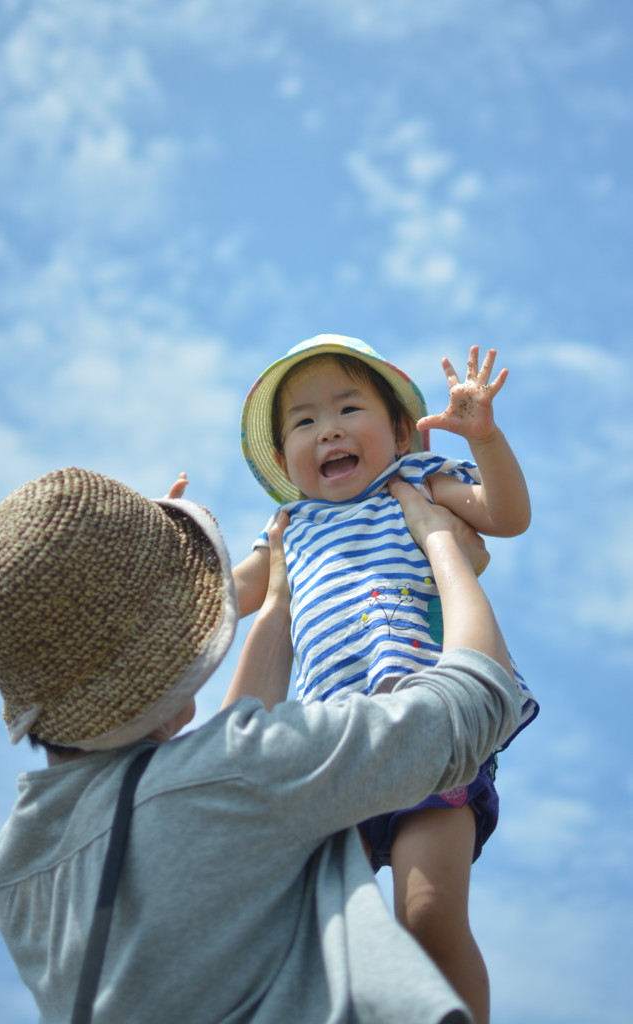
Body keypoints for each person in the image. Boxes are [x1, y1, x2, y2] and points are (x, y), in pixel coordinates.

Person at [0, 465, 523, 1024]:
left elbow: (218, 793)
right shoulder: (239, 778)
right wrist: (443, 547)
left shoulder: (17, 871)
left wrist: (276, 608)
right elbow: (476, 697)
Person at [218, 334, 539, 1024]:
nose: (326, 428)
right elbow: (221, 594)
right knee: (329, 934)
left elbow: (506, 517)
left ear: (398, 431)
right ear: (283, 462)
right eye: (303, 422)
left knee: (426, 913)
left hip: (428, 725)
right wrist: (164, 544)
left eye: (346, 409)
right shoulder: (287, 527)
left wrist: (484, 438)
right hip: (332, 745)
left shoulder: (415, 481)